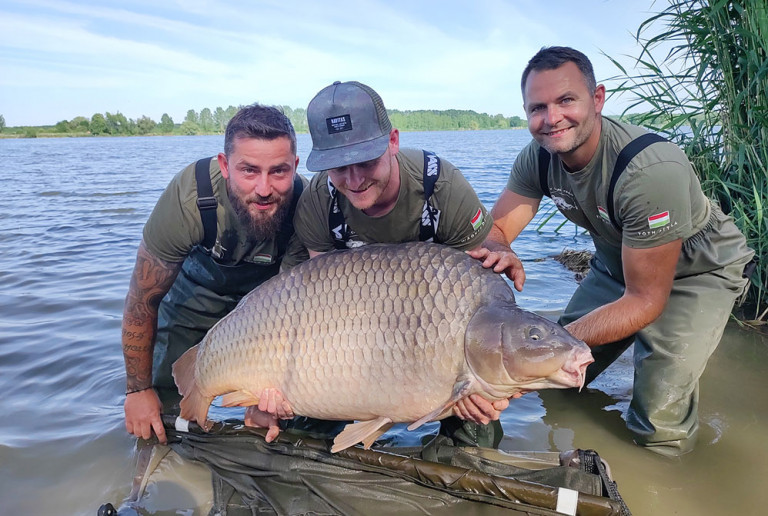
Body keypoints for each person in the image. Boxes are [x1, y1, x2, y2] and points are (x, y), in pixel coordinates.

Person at [482, 46, 754, 456]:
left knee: (657, 426)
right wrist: (501, 250)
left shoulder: (649, 170)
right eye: (537, 107)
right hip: (616, 264)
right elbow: (497, 230)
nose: (551, 118)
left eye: (566, 100)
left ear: (598, 99)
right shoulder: (538, 158)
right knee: (555, 384)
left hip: (697, 270)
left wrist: (551, 344)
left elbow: (645, 300)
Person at [285, 80, 524, 448]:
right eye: (337, 167)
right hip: (353, 337)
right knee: (299, 434)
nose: (353, 179)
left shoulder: (441, 187)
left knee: (478, 427)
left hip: (437, 338)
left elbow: (480, 298)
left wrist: (490, 381)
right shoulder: (319, 201)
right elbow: (320, 305)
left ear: (392, 141)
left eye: (365, 161)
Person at [121, 104, 308, 444]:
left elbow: (293, 316)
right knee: (158, 410)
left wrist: (267, 395)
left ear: (295, 167)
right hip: (193, 298)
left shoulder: (307, 207)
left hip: (267, 310)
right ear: (224, 166)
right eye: (249, 171)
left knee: (286, 414)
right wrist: (138, 389)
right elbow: (141, 301)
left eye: (278, 172)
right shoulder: (191, 197)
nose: (264, 189)